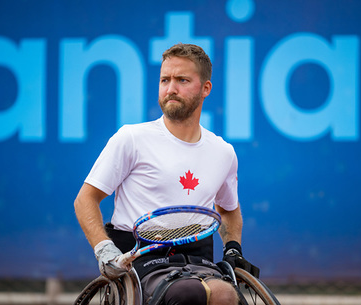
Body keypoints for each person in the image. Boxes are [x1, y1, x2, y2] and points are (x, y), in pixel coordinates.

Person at [74, 43, 259, 305]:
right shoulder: (131, 138)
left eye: (182, 80)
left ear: (206, 88)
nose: (171, 88)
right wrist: (105, 251)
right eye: (165, 80)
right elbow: (85, 200)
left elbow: (228, 209)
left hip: (199, 261)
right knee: (188, 294)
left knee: (227, 295)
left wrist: (233, 248)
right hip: (141, 263)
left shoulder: (223, 152)